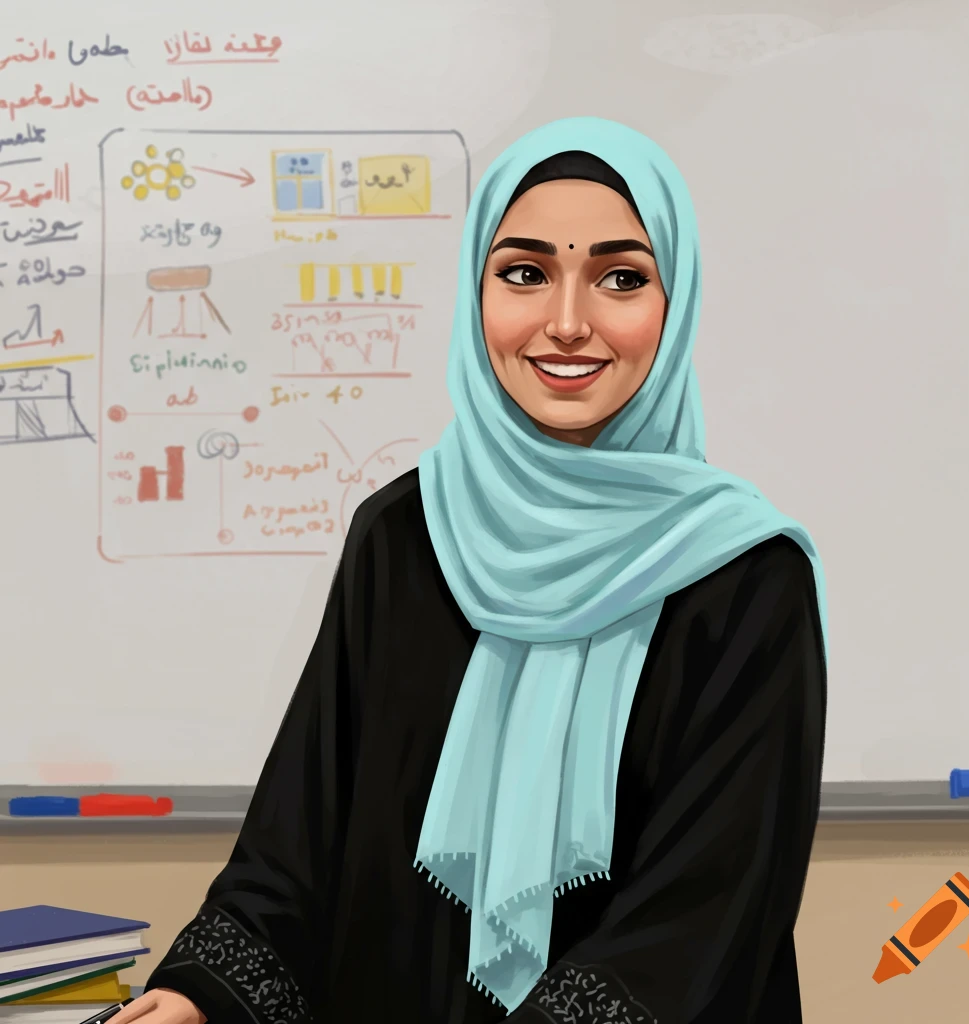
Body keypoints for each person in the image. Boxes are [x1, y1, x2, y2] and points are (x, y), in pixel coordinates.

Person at [117, 117, 827, 1024]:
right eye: (524, 273)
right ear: (475, 291)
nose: (567, 323)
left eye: (621, 277)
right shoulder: (404, 536)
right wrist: (196, 996)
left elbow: (705, 912)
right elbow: (300, 841)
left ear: (675, 300)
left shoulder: (747, 577)